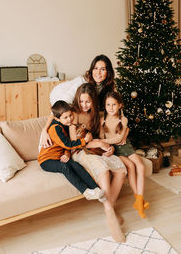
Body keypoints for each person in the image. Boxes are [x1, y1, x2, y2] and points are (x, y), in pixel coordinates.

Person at [69, 83, 126, 242]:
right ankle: (110, 214)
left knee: (120, 168)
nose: (84, 105)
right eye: (81, 102)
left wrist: (109, 149)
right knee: (104, 169)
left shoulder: (98, 116)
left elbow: (103, 139)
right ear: (77, 100)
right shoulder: (73, 115)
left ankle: (110, 208)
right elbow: (75, 142)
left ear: (93, 101)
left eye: (87, 102)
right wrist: (99, 144)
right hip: (79, 152)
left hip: (96, 149)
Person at [40, 54, 115, 149]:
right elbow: (58, 108)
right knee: (61, 122)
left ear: (108, 72)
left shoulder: (107, 88)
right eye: (95, 68)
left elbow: (112, 109)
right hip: (59, 97)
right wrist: (44, 129)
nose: (98, 73)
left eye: (103, 69)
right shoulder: (81, 83)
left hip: (81, 115)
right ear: (91, 69)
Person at [38, 100, 106, 202]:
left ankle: (96, 189)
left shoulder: (64, 125)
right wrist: (85, 140)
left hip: (59, 156)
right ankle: (86, 192)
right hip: (46, 160)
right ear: (57, 118)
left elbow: (64, 145)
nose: (69, 119)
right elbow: (68, 144)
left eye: (70, 115)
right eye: (65, 117)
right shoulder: (55, 128)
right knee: (64, 167)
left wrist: (66, 153)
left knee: (76, 165)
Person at [99, 91, 149, 218]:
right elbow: (108, 140)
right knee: (131, 166)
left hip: (126, 146)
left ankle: (139, 199)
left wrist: (103, 141)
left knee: (141, 166)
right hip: (115, 150)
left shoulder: (124, 119)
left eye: (114, 104)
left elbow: (119, 138)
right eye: (108, 105)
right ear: (104, 106)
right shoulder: (102, 120)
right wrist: (103, 142)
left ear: (120, 105)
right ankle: (138, 201)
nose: (111, 108)